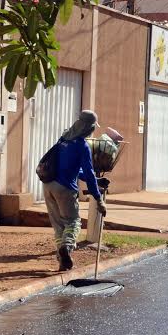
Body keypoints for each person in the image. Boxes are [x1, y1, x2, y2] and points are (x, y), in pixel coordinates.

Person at [41, 110, 106, 271]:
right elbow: (89, 173)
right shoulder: (82, 146)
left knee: (59, 226)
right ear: (88, 128)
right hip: (65, 189)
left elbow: (74, 169)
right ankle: (66, 247)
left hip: (48, 185)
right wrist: (98, 198)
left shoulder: (63, 139)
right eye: (92, 128)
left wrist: (96, 181)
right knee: (73, 223)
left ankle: (63, 260)